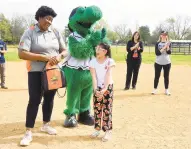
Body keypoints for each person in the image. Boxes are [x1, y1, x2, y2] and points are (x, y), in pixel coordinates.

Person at [18, 6, 67, 146]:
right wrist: (43, 57)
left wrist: (59, 57)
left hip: (53, 71)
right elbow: (21, 53)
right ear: (39, 18)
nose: (49, 22)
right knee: (34, 100)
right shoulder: (30, 32)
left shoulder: (56, 32)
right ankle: (28, 132)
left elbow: (64, 50)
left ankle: (46, 124)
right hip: (36, 72)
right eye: (47, 18)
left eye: (51, 19)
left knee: (50, 98)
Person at [89, 42, 115, 142]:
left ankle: (108, 131)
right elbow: (94, 77)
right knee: (97, 109)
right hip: (97, 87)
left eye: (99, 49)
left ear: (105, 51)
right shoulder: (92, 62)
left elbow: (108, 75)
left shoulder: (110, 61)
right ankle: (97, 129)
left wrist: (105, 89)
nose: (97, 51)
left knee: (107, 109)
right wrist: (96, 89)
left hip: (108, 87)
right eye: (96, 48)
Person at [152, 31, 171, 95]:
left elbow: (169, 52)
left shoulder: (168, 43)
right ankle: (155, 89)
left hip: (167, 63)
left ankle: (166, 90)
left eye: (165, 35)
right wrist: (164, 47)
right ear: (160, 35)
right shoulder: (157, 43)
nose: (164, 36)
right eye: (163, 34)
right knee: (157, 76)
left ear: (166, 36)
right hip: (158, 63)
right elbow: (157, 53)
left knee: (166, 76)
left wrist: (167, 46)